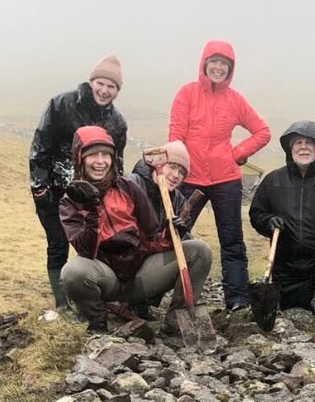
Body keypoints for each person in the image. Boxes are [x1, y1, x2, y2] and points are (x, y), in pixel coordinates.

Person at [59, 126, 212, 333]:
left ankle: (177, 319)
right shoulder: (70, 202)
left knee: (199, 250)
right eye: (93, 155)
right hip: (107, 278)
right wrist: (93, 210)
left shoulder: (128, 188)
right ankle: (98, 324)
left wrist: (170, 233)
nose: (100, 161)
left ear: (113, 159)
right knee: (73, 272)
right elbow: (86, 251)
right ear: (80, 158)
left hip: (140, 276)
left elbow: (151, 238)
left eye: (106, 155)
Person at [168, 40, 271, 312]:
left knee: (232, 239)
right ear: (204, 63)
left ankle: (237, 299)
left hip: (226, 180)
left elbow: (262, 132)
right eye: (214, 62)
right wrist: (176, 168)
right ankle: (155, 296)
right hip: (190, 179)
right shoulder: (186, 94)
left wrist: (236, 154)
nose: (218, 68)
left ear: (230, 69)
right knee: (174, 235)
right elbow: (176, 136)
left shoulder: (235, 100)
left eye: (224, 64)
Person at [29, 54, 128, 310]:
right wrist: (40, 188)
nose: (105, 91)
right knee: (58, 244)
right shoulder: (61, 104)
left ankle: (95, 299)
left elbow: (116, 164)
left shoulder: (117, 123)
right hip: (54, 190)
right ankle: (62, 305)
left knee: (95, 245)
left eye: (112, 87)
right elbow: (41, 147)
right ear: (91, 81)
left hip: (93, 196)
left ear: (117, 91)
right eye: (101, 84)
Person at [249, 121, 315, 321]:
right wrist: (269, 222)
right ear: (290, 148)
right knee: (292, 307)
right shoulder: (273, 180)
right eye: (298, 142)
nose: (303, 147)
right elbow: (256, 214)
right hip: (287, 264)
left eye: (309, 142)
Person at [124, 140, 194, 319]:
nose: (176, 175)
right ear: (159, 164)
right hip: (123, 267)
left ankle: (171, 312)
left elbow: (184, 246)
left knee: (194, 249)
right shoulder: (132, 185)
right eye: (172, 167)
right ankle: (122, 300)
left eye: (182, 172)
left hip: (150, 270)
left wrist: (180, 233)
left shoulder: (178, 201)